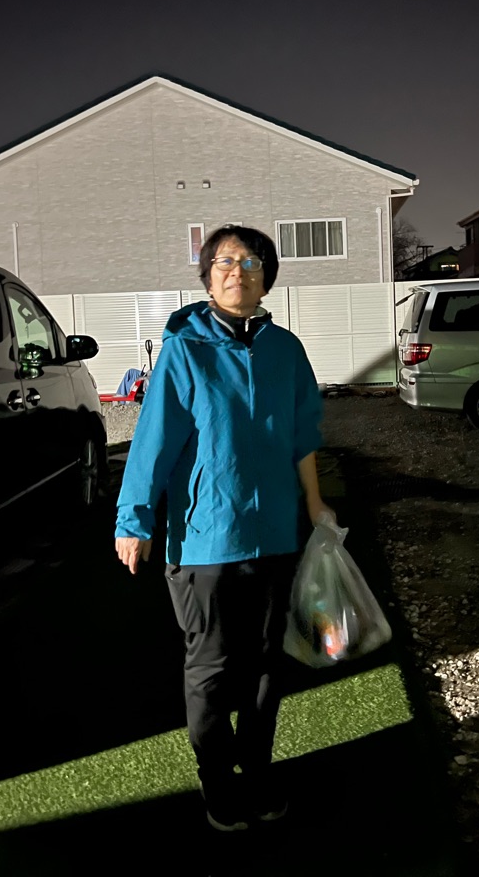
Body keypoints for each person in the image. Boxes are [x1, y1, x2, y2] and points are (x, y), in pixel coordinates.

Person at [114, 224, 334, 832]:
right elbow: (153, 443)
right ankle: (217, 780)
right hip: (205, 539)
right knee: (212, 668)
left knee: (266, 664)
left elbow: (303, 433)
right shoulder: (185, 350)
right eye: (226, 261)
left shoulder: (285, 348)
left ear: (267, 277)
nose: (239, 270)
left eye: (252, 261)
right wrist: (134, 520)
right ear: (208, 277)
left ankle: (256, 770)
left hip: (276, 534)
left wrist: (315, 502)